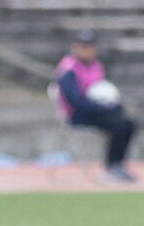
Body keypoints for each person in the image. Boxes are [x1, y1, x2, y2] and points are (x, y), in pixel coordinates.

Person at [54, 28, 137, 183]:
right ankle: (111, 168)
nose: (86, 50)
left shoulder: (96, 66)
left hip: (95, 110)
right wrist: (103, 107)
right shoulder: (68, 69)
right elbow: (76, 101)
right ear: (75, 47)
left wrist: (110, 105)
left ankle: (117, 164)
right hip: (77, 114)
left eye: (90, 46)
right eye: (83, 46)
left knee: (129, 122)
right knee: (118, 124)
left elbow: (101, 90)